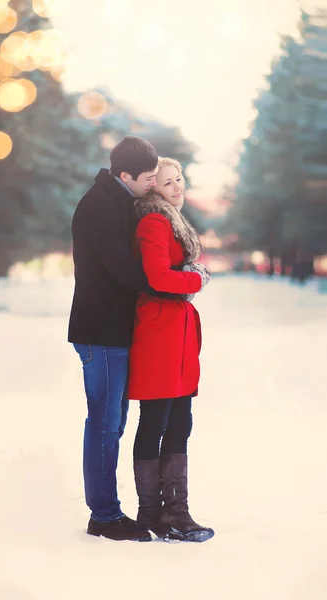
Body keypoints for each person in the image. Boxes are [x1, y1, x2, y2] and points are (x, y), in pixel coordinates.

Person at [68, 136, 159, 542]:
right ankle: (103, 515)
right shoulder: (100, 206)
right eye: (149, 177)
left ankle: (105, 510)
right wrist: (173, 286)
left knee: (112, 422)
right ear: (126, 175)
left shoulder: (118, 200)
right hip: (100, 331)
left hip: (112, 330)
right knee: (105, 423)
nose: (154, 184)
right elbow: (124, 269)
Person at [129, 156, 214, 542]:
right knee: (155, 421)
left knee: (180, 422)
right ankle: (151, 512)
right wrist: (193, 278)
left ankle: (175, 512)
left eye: (179, 179)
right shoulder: (153, 221)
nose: (177, 187)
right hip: (159, 335)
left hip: (177, 337)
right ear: (153, 190)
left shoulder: (172, 221)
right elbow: (157, 276)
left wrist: (190, 279)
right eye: (168, 182)